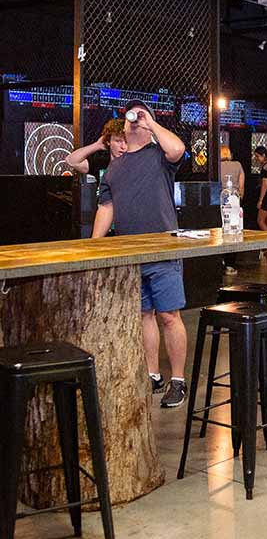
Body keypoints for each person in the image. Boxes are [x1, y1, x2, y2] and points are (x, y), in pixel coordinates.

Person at [92, 100, 188, 409]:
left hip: (162, 249)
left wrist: (151, 124)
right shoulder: (115, 168)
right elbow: (106, 207)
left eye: (140, 116)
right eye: (131, 117)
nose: (133, 121)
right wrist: (95, 246)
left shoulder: (159, 156)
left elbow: (177, 149)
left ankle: (178, 380)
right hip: (131, 254)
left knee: (169, 315)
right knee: (144, 315)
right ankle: (153, 375)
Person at [220, 145, 245, 275]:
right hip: (234, 202)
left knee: (220, 231)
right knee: (233, 232)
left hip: (221, 201)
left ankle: (220, 260)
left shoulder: (217, 166)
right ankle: (230, 264)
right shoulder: (238, 165)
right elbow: (241, 186)